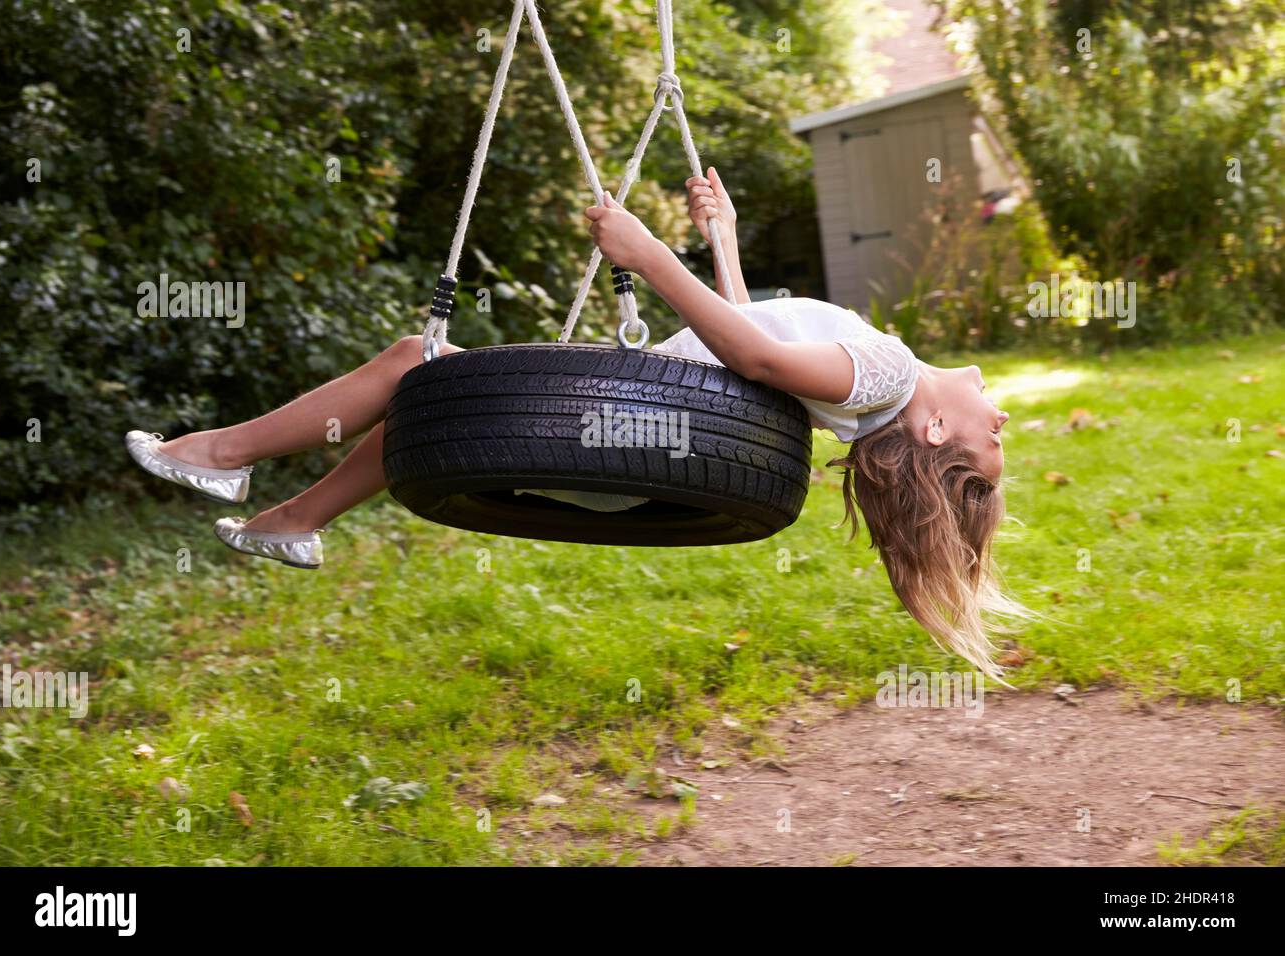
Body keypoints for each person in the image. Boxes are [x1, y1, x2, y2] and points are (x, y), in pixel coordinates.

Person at [126, 168, 1023, 675]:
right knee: (427, 402)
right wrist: (724, 240)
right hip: (618, 469)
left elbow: (752, 361)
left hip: (612, 440)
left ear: (937, 434)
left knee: (415, 366)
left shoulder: (888, 373)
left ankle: (223, 454)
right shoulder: (862, 394)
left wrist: (649, 254)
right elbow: (757, 342)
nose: (1005, 417)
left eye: (996, 439)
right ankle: (293, 519)